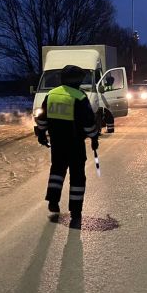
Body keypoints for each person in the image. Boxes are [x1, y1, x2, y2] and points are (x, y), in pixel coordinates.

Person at [34, 65, 99, 227]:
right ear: (77, 81)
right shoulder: (80, 97)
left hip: (57, 143)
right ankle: (76, 211)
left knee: (57, 171)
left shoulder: (51, 94)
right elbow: (89, 123)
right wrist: (94, 137)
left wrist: (41, 134)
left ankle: (53, 201)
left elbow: (42, 118)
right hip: (75, 144)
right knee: (77, 177)